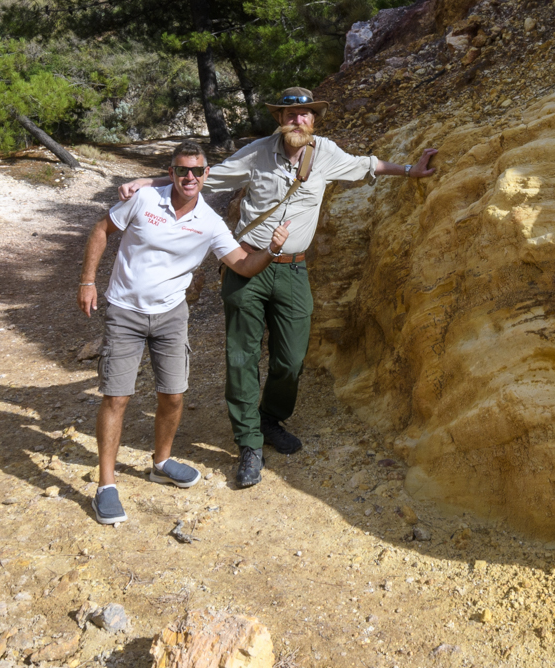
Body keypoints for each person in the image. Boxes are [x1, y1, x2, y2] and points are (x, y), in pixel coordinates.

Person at [118, 87, 437, 489]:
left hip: (292, 270)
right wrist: (147, 180)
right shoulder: (256, 153)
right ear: (279, 119)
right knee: (241, 358)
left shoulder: (326, 153)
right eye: (290, 114)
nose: (298, 120)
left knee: (290, 357)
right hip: (247, 266)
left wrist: (412, 170)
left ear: (314, 120)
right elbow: (204, 178)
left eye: (305, 114)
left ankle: (271, 417)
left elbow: (366, 165)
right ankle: (249, 442)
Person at [78, 141, 290, 526]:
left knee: (173, 395)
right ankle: (106, 485)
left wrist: (272, 251)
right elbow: (101, 229)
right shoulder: (144, 200)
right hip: (125, 310)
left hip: (171, 316)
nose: (189, 177)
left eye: (197, 171)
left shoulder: (209, 222)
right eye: (181, 170)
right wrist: (88, 281)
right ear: (171, 172)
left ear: (206, 175)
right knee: (117, 398)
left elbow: (242, 264)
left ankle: (161, 462)